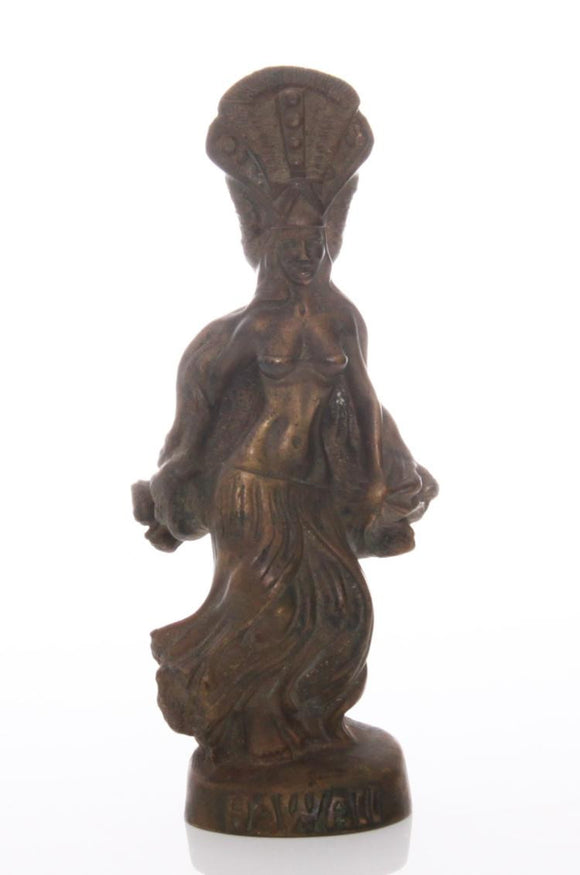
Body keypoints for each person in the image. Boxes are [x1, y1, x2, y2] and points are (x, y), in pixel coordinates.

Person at [132, 68, 437, 763]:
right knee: (262, 609)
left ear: (329, 241)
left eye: (315, 241)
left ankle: (311, 725)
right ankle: (237, 720)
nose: (305, 254)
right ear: (266, 245)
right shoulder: (252, 327)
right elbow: (205, 406)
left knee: (340, 610)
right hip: (253, 486)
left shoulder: (342, 318)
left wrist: (375, 478)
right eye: (291, 243)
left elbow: (364, 399)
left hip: (311, 493)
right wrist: (179, 472)